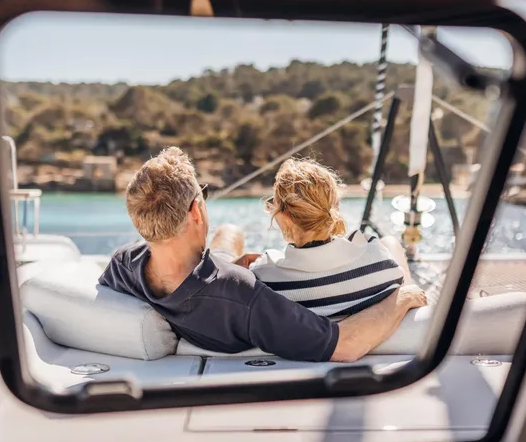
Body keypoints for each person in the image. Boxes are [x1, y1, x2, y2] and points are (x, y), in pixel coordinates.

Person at [98, 147, 427, 363]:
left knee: (230, 233)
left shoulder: (124, 264)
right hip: (219, 288)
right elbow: (347, 344)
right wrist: (404, 294)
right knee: (229, 236)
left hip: (204, 277)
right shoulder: (243, 294)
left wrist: (228, 265)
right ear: (196, 211)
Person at [251, 158, 413, 318]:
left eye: (273, 204)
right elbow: (404, 289)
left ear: (285, 217)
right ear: (335, 206)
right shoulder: (378, 260)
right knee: (391, 242)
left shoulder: (265, 280)